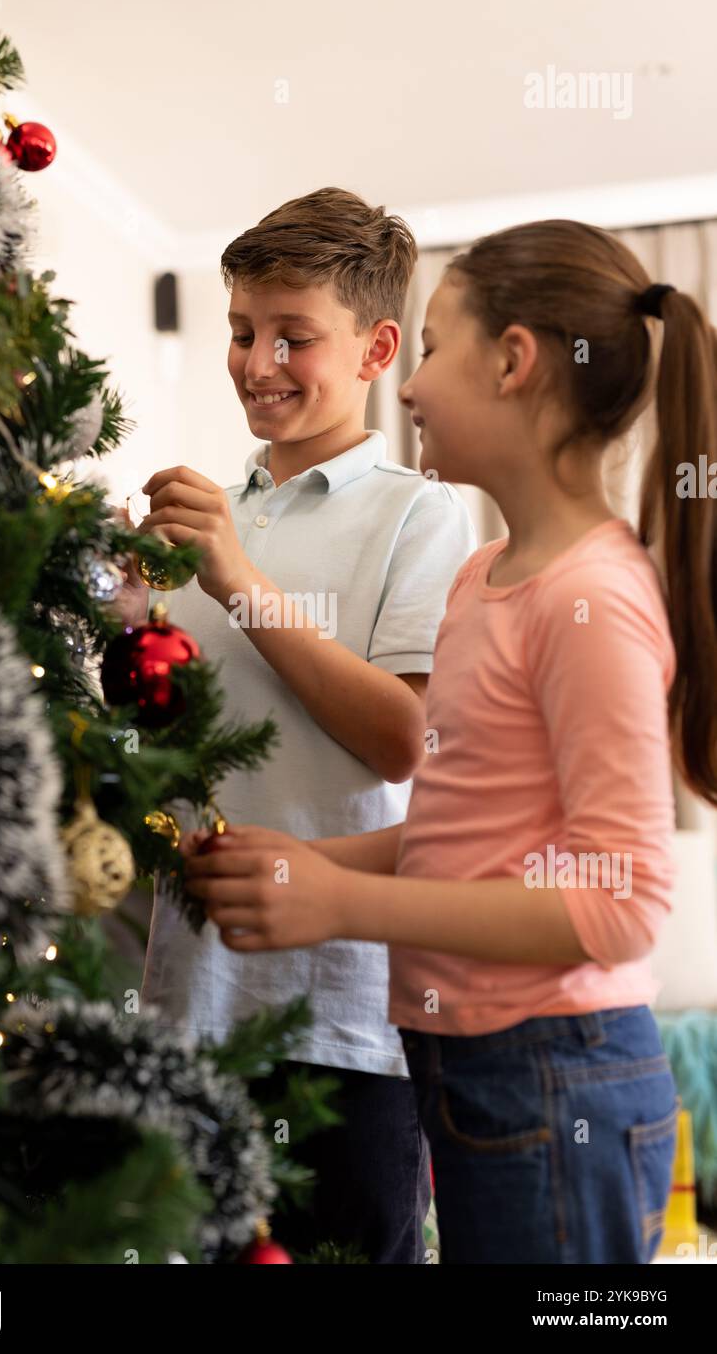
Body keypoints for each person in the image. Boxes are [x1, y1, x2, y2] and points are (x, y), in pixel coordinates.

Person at [184, 218, 717, 1263]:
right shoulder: (483, 580)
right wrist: (299, 865)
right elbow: (454, 828)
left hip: (561, 1074)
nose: (413, 387)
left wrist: (342, 901)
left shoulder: (594, 599)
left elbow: (622, 902)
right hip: (464, 1064)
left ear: (515, 363)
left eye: (431, 348)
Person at [112, 188, 475, 1263]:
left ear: (376, 347)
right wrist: (132, 626)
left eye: (291, 336)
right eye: (239, 330)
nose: (256, 360)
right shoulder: (211, 516)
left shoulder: (423, 511)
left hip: (342, 1024)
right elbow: (171, 737)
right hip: (183, 1005)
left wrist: (235, 580)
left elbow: (401, 738)